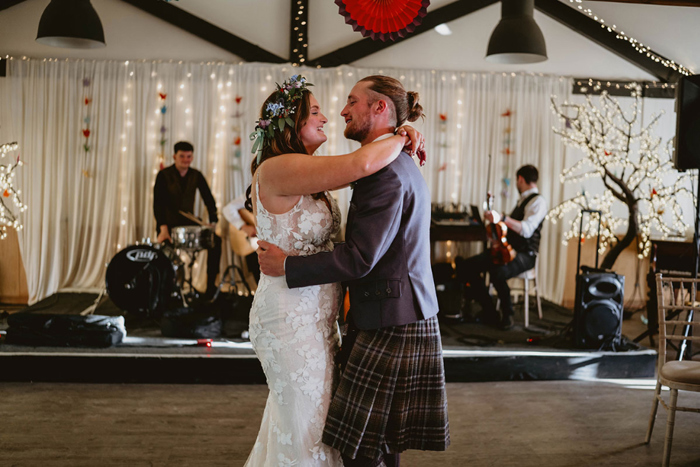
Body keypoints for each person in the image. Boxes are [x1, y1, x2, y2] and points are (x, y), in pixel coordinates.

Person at [258, 75, 450, 467]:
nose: (336, 113)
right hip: (313, 315)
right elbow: (358, 163)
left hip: (388, 314)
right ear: (291, 124)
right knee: (363, 438)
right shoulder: (364, 163)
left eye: (350, 102)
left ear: (378, 108)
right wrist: (401, 134)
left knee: (365, 440)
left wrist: (399, 133)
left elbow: (360, 257)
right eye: (316, 111)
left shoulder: (383, 168)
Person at [456, 164, 547, 330]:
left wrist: (502, 217)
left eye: (517, 181)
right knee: (467, 266)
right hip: (506, 250)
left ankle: (508, 314)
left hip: (526, 255)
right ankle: (489, 311)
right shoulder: (522, 202)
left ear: (520, 179)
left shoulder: (538, 202)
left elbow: (526, 230)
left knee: (497, 272)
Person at [153, 141, 221, 298]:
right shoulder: (163, 175)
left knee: (216, 241)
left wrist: (213, 220)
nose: (185, 159)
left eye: (188, 156)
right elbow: (158, 204)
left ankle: (211, 287)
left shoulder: (196, 175)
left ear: (192, 157)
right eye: (182, 156)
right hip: (167, 224)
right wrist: (162, 227)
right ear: (174, 156)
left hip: (188, 222)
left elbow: (209, 200)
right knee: (164, 252)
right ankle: (166, 290)